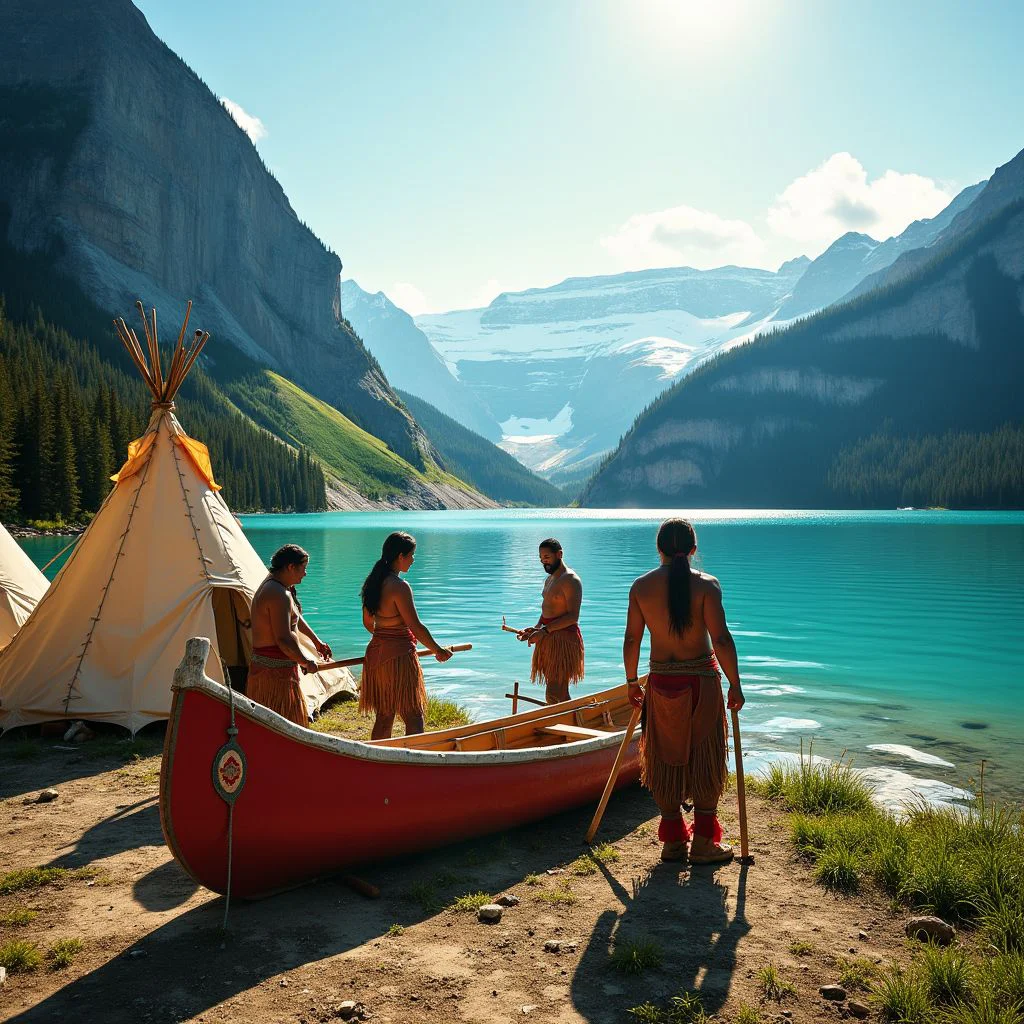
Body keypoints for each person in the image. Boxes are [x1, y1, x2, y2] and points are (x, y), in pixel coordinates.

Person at [623, 518, 745, 864]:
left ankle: (673, 843)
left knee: (663, 759)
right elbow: (720, 639)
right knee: (705, 756)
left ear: (658, 548)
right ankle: (704, 843)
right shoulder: (708, 586)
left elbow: (632, 639)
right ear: (693, 549)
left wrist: (632, 681)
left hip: (660, 682)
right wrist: (735, 684)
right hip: (701, 682)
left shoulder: (641, 587)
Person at [360, 532, 453, 740]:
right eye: (411, 555)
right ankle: (415, 761)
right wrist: (437, 650)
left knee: (384, 715)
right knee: (414, 715)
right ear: (400, 556)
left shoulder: (372, 583)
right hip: (399, 658)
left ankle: (376, 761)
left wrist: (384, 638)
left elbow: (367, 623)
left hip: (375, 654)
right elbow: (416, 626)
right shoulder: (399, 587)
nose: (413, 560)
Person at [248, 544, 333, 727]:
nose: (305, 573)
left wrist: (316, 642)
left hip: (274, 670)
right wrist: (305, 662)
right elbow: (283, 639)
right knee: (282, 728)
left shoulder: (277, 586)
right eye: (303, 568)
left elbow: (295, 617)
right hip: (273, 676)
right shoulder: (278, 593)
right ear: (290, 567)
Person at [518, 538, 584, 704]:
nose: (543, 562)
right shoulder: (549, 580)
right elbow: (547, 610)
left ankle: (567, 725)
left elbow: (572, 617)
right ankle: (566, 724)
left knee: (556, 691)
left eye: (546, 557)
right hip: (547, 638)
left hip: (563, 641)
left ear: (559, 554)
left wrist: (544, 631)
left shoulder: (571, 580)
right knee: (554, 690)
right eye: (541, 558)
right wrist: (536, 628)